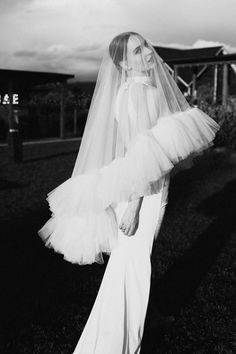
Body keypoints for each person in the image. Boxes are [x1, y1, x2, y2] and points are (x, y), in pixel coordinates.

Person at [38, 32, 220, 353]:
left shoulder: (129, 90)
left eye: (146, 46)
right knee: (133, 264)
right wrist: (135, 204)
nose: (147, 53)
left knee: (132, 258)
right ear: (123, 62)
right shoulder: (138, 92)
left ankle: (147, 318)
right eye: (138, 51)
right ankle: (117, 343)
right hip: (143, 190)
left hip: (142, 184)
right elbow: (141, 151)